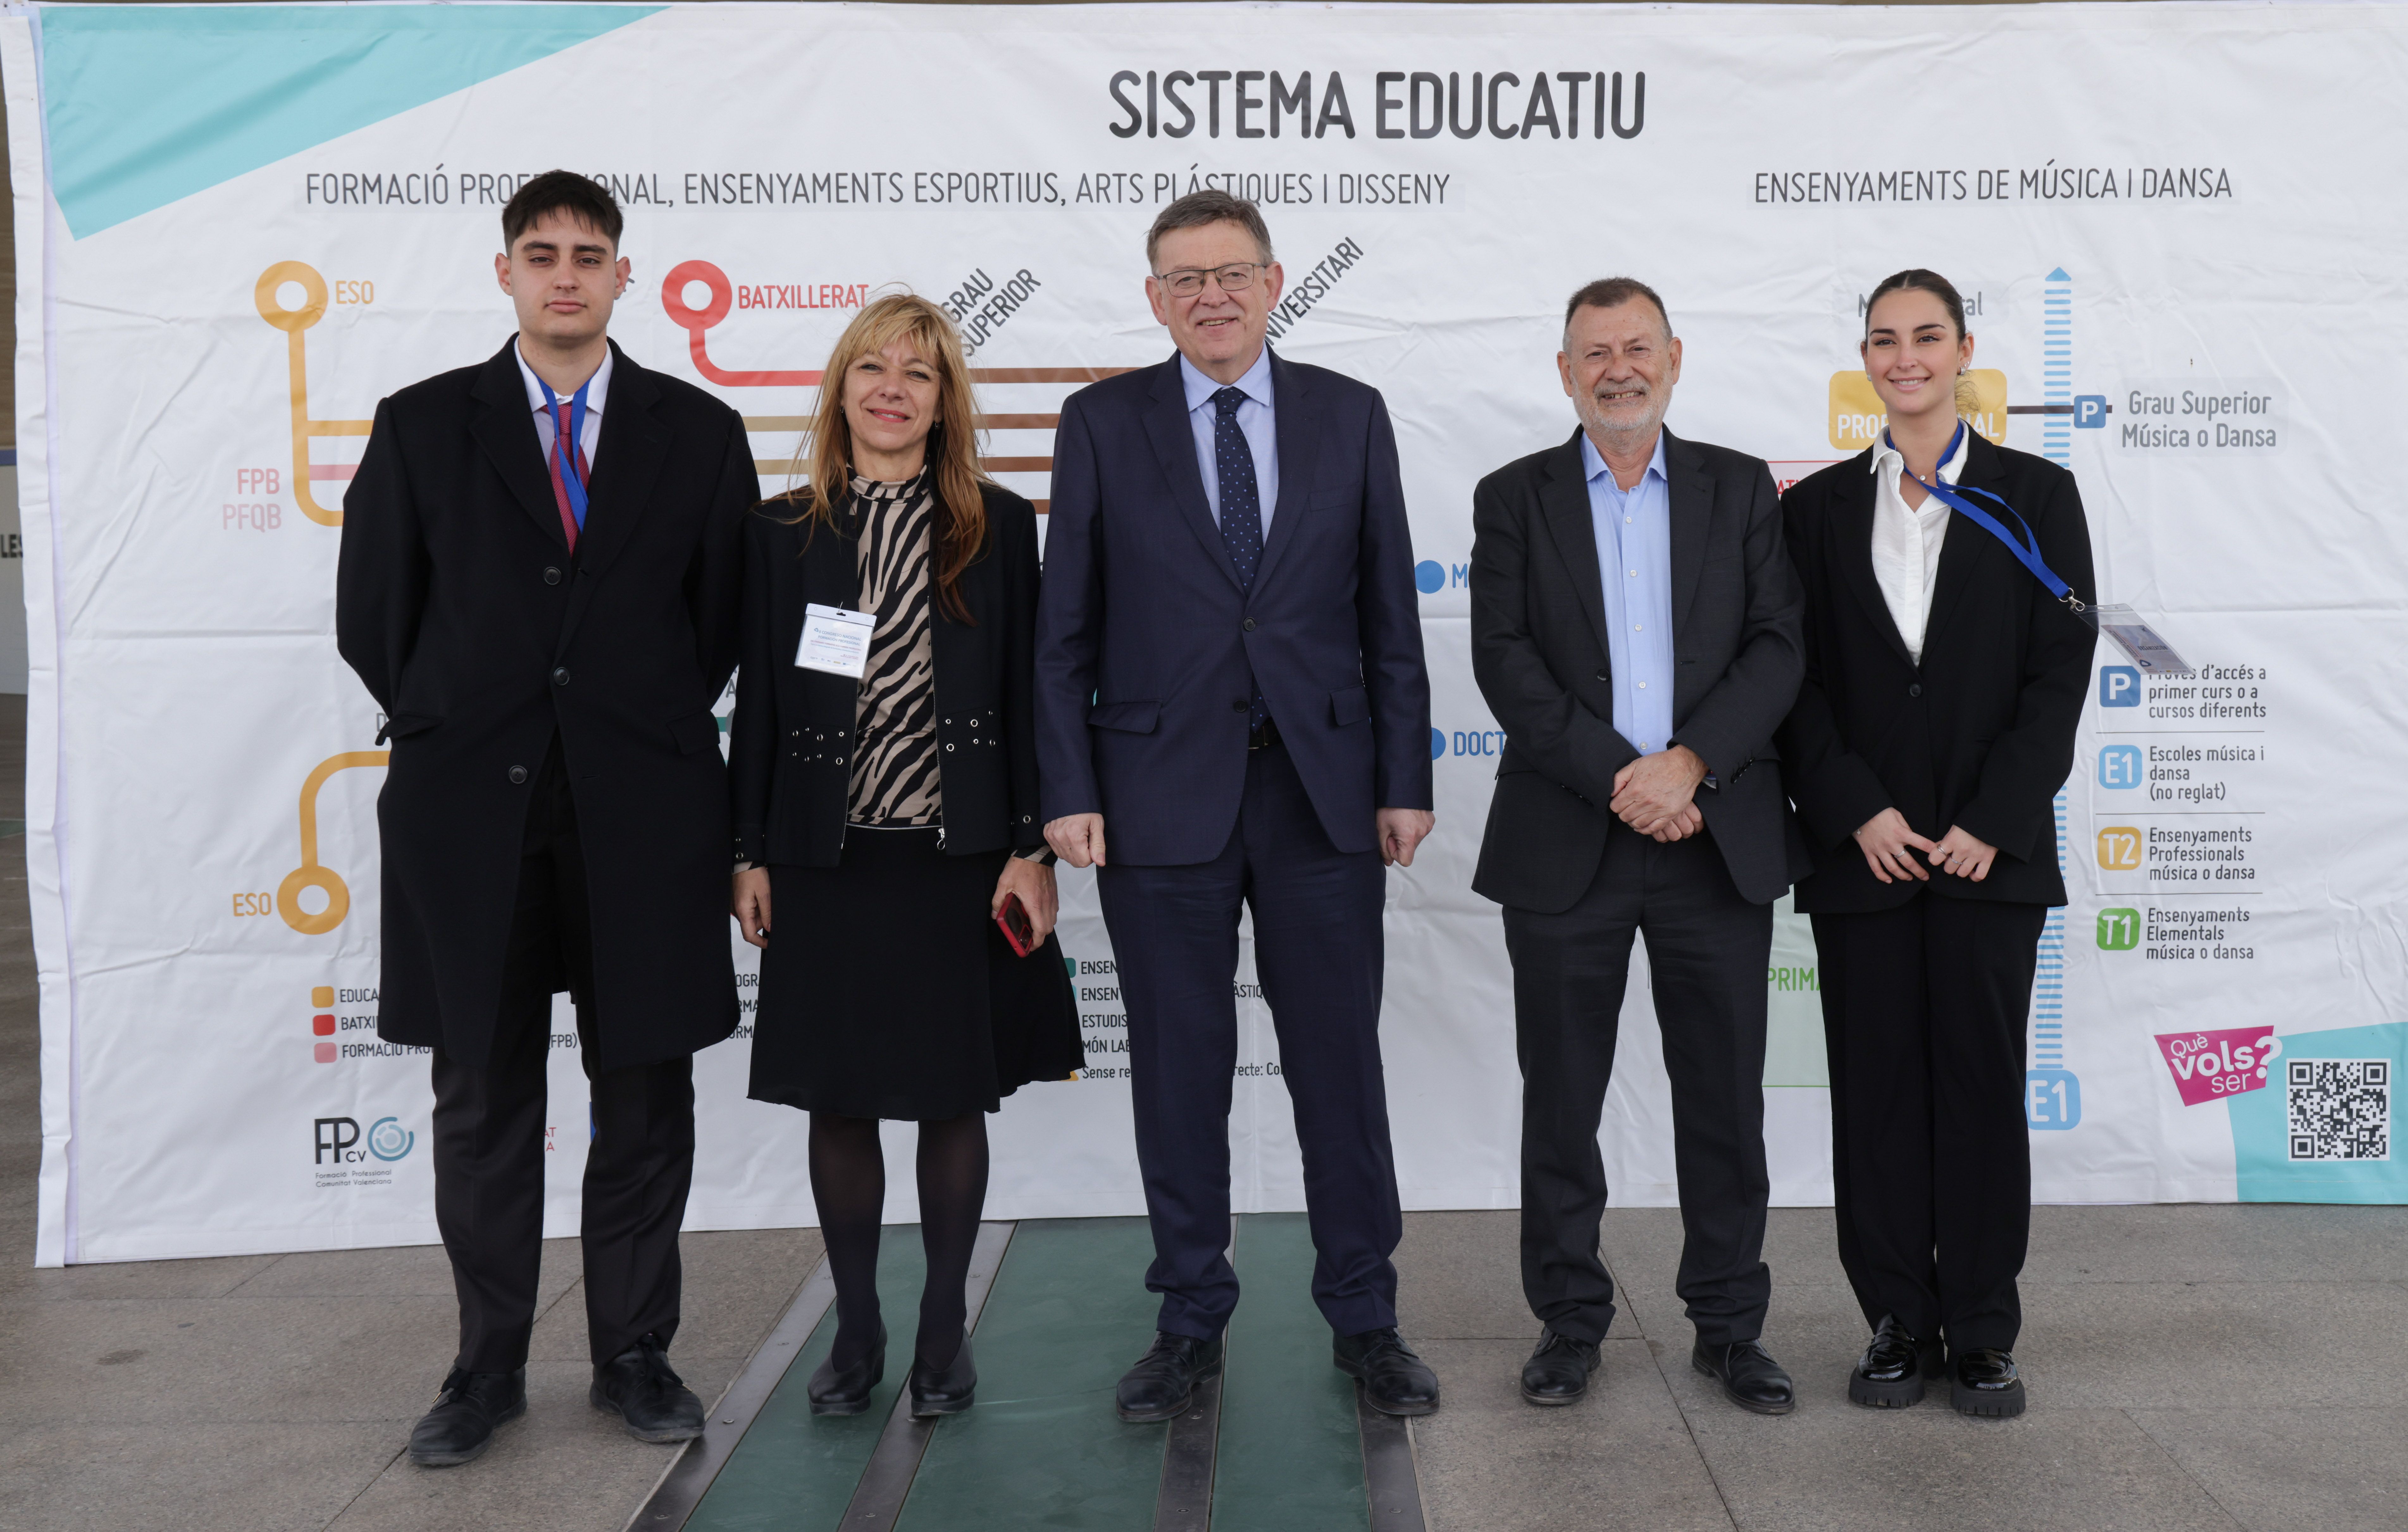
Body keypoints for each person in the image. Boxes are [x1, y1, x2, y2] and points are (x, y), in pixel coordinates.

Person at [336, 171, 757, 1466]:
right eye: (541, 253)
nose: (564, 273)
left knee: (645, 1092)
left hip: (646, 811)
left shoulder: (699, 430)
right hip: (472, 813)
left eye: (587, 253)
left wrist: (626, 719)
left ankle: (634, 1353)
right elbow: (374, 614)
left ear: (624, 274)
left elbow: (722, 620)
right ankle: (487, 1366)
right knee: (481, 1096)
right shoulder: (422, 425)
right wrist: (468, 716)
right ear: (506, 273)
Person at [1035, 191, 1439, 1421]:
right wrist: (1067, 789)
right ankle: (1188, 1319)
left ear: (1272, 283)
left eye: (1231, 274)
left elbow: (1389, 615)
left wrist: (1403, 779)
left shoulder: (1348, 413)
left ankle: (1364, 1316)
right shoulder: (1101, 423)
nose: (1210, 296)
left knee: (1338, 1066)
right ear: (1155, 300)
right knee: (1177, 1070)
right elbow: (1063, 631)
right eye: (1184, 279)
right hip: (1157, 798)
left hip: (1322, 796)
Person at [728, 294, 1082, 1419]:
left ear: (944, 401)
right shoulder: (780, 529)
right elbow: (762, 702)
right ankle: (857, 1328)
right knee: (838, 1104)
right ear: (841, 389)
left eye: (918, 373)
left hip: (955, 862)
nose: (892, 388)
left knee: (947, 1100)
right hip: (824, 861)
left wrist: (1029, 847)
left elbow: (1030, 692)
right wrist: (748, 850)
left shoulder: (997, 523)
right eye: (872, 367)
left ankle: (941, 1333)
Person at [1467, 278, 1808, 1414]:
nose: (1619, 369)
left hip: (1714, 834)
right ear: (1565, 372)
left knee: (1723, 1098)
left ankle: (1729, 1325)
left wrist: (1689, 764)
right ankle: (1569, 1321)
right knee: (1561, 1098)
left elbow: (1777, 646)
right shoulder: (1512, 496)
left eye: (1637, 348)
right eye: (1595, 353)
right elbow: (1505, 660)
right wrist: (1628, 777)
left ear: (1674, 357)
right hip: (1568, 837)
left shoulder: (1739, 486)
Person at [1778, 269, 2095, 1419]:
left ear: (1964, 349)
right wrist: (1853, 808)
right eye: (1882, 339)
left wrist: (1991, 822)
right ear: (1863, 358)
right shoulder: (1812, 509)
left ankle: (1983, 1330)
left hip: (1985, 858)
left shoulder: (2037, 495)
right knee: (1874, 1094)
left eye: (1925, 336)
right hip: (1861, 853)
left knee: (1978, 1090)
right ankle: (1895, 1322)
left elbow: (2058, 673)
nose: (1903, 356)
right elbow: (1793, 680)